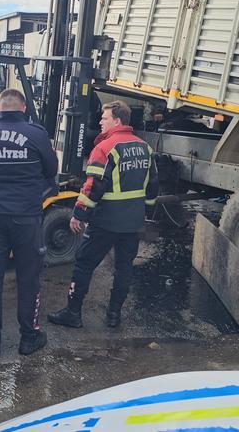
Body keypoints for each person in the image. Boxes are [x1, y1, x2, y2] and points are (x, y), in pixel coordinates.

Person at [48, 101, 158, 329]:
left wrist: (78, 214)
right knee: (124, 267)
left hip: (106, 221)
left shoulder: (106, 147)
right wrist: (143, 212)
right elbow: (152, 187)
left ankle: (73, 312)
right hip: (133, 222)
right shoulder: (145, 148)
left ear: (117, 121)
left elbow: (93, 187)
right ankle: (114, 316)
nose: (100, 121)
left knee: (84, 263)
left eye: (104, 118)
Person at [0, 89, 58, 358]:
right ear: (23, 108)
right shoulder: (37, 134)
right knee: (28, 277)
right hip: (26, 216)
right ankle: (29, 337)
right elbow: (51, 171)